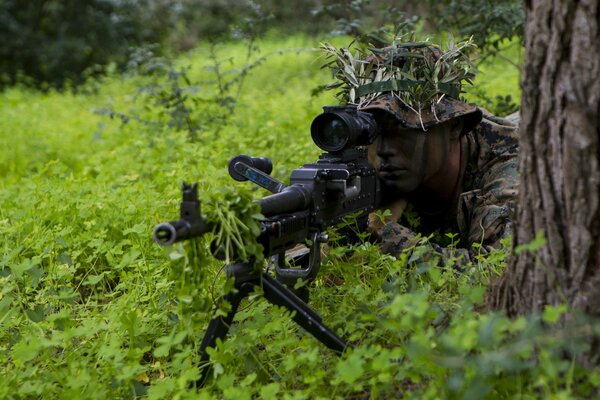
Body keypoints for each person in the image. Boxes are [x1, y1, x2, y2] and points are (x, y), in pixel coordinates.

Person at [324, 39, 521, 265]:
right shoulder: (364, 156)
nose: (383, 150)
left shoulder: (508, 166)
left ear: (453, 125)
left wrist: (388, 237)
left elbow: (498, 271)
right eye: (374, 130)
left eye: (403, 127)